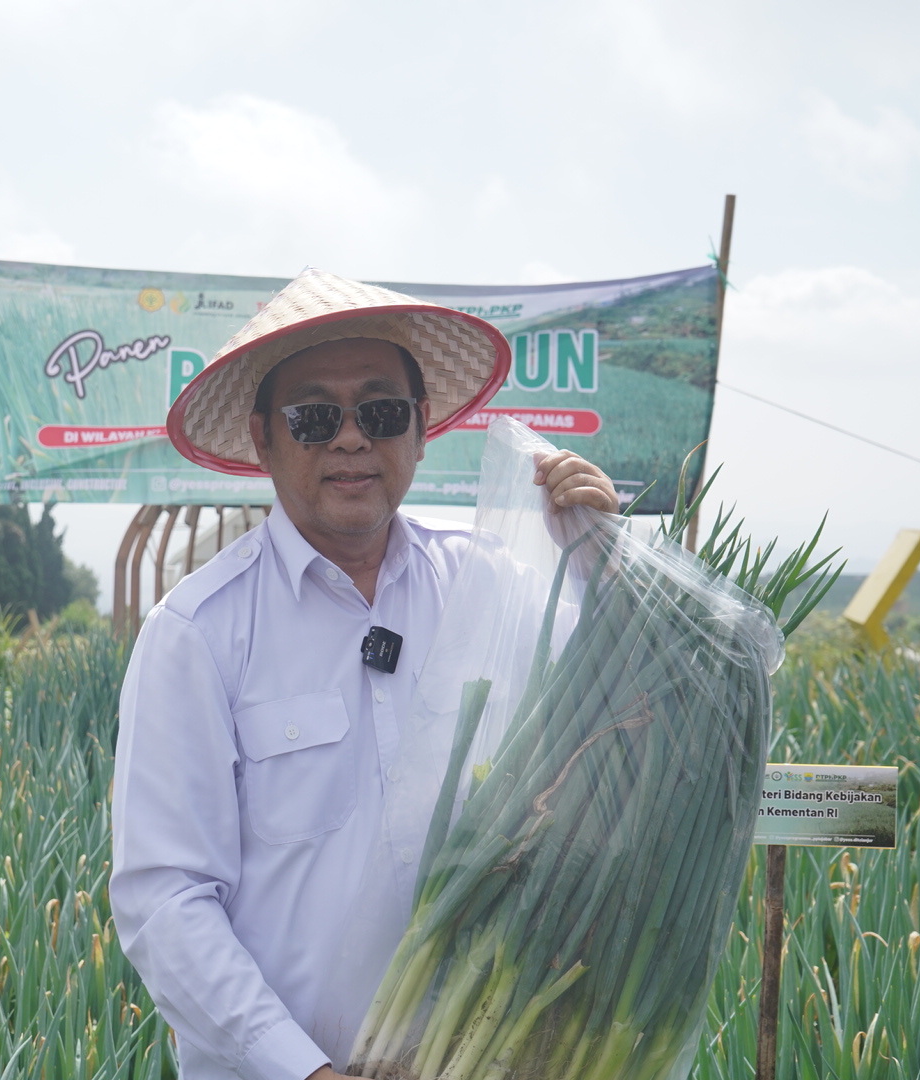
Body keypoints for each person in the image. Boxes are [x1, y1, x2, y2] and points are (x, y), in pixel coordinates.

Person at [110, 269, 617, 1080]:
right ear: (263, 437)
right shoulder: (198, 634)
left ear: (420, 431)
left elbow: (622, 712)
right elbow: (165, 902)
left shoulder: (492, 586)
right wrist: (303, 1071)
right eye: (314, 417)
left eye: (380, 413)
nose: (351, 440)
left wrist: (603, 565)